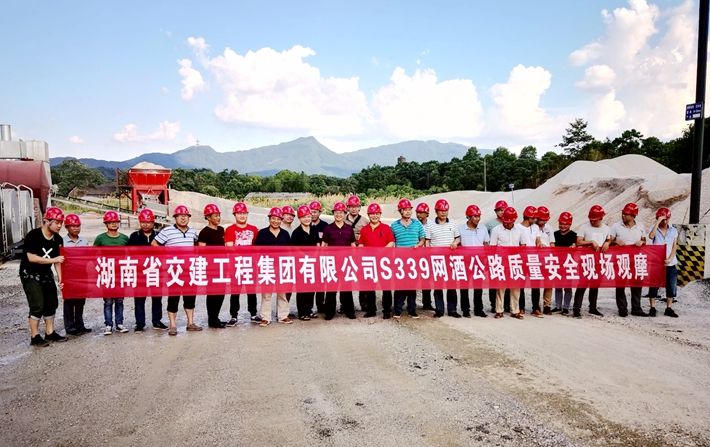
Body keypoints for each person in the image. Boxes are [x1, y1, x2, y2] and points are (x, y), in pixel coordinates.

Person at [20, 206, 68, 347]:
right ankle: (35, 336)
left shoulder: (58, 239)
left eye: (61, 223)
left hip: (46, 273)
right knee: (37, 305)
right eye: (57, 222)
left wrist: (61, 278)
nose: (59, 226)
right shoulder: (33, 235)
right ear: (47, 221)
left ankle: (50, 332)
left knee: (51, 303)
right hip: (30, 273)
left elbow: (58, 261)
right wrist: (53, 260)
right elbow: (31, 257)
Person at [152, 204, 202, 335]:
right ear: (175, 218)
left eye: (185, 216)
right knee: (173, 298)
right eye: (180, 216)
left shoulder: (193, 232)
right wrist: (166, 255)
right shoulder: (167, 231)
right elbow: (154, 244)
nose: (183, 218)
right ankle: (173, 325)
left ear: (189, 218)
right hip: (174, 270)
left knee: (190, 297)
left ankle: (190, 323)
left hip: (189, 270)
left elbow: (197, 245)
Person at [128, 208, 167, 331]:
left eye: (148, 222)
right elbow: (129, 254)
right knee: (139, 299)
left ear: (153, 222)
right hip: (140, 273)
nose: (145, 224)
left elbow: (165, 252)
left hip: (156, 271)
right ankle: (140, 323)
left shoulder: (160, 236)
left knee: (157, 298)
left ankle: (157, 321)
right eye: (143, 222)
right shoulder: (134, 236)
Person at [254, 207, 293, 326]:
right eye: (273, 218)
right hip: (266, 266)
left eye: (278, 219)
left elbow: (290, 252)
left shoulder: (285, 234)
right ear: (269, 219)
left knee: (282, 293)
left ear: (281, 220)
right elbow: (257, 251)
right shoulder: (262, 233)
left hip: (282, 267)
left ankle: (283, 316)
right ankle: (265, 317)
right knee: (266, 294)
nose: (275, 221)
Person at [94, 211, 130, 335]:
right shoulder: (100, 238)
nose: (114, 224)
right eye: (111, 222)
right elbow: (93, 254)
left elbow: (131, 254)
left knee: (119, 300)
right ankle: (108, 324)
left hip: (120, 274)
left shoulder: (124, 238)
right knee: (108, 301)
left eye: (116, 222)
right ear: (106, 224)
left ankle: (119, 324)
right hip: (107, 273)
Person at [224, 202, 260, 324]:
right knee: (235, 291)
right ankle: (234, 315)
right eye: (239, 213)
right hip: (236, 265)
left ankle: (253, 314)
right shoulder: (230, 230)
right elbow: (230, 248)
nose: (242, 215)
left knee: (252, 291)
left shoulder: (254, 229)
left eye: (244, 213)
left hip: (251, 265)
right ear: (234, 215)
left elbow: (257, 247)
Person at [572, 205, 611, 318]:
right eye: (591, 219)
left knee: (595, 285)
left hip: (599, 261)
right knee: (582, 284)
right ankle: (576, 309)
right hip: (586, 260)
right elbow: (578, 242)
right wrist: (590, 242)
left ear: (601, 218)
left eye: (595, 220)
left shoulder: (606, 229)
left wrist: (607, 243)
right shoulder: (584, 227)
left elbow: (609, 239)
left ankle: (593, 307)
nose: (592, 221)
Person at [358, 202, 395, 318]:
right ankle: (371, 310)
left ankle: (387, 310)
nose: (375, 216)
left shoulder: (386, 228)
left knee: (386, 287)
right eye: (372, 214)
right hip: (369, 262)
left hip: (384, 262)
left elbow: (391, 242)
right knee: (370, 287)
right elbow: (360, 244)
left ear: (380, 214)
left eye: (377, 213)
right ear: (368, 215)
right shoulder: (364, 229)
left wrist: (381, 252)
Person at [390, 198, 425, 319]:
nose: (408, 211)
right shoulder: (394, 225)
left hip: (413, 260)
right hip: (400, 260)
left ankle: (412, 310)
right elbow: (392, 242)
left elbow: (422, 239)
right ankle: (397, 310)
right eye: (405, 209)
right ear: (400, 211)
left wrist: (418, 245)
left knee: (412, 286)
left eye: (409, 209)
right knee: (399, 286)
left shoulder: (417, 224)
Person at [611, 202, 648, 317]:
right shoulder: (616, 226)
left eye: (626, 214)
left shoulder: (640, 226)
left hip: (636, 259)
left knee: (637, 284)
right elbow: (609, 241)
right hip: (621, 259)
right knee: (620, 285)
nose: (623, 215)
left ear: (633, 216)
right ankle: (622, 309)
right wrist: (615, 241)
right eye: (623, 213)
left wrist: (642, 242)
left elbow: (645, 240)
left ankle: (636, 308)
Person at [322, 201, 357, 320]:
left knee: (346, 288)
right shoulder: (328, 228)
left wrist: (354, 260)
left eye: (341, 212)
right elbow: (324, 245)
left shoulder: (349, 229)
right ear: (333, 213)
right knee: (331, 289)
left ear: (345, 214)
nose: (339, 215)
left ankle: (349, 311)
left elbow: (353, 245)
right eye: (336, 212)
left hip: (346, 263)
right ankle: (329, 313)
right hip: (332, 263)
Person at [426, 199, 461, 318]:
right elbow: (427, 241)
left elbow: (458, 238)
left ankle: (452, 310)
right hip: (436, 260)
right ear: (436, 211)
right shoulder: (430, 225)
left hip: (450, 259)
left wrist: (455, 243)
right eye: (441, 210)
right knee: (438, 286)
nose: (444, 212)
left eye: (446, 210)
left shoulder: (453, 223)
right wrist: (428, 254)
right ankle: (439, 310)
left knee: (451, 285)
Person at [490, 207, 525, 320]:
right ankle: (499, 310)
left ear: (514, 220)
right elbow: (492, 247)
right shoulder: (496, 230)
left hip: (515, 261)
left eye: (509, 222)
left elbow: (523, 245)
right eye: (505, 222)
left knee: (515, 287)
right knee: (500, 287)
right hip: (501, 261)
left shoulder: (520, 230)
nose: (507, 224)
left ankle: (515, 310)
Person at [198, 203, 227, 329]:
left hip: (222, 266)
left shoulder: (221, 230)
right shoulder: (204, 233)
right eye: (215, 216)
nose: (218, 218)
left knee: (221, 292)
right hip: (211, 267)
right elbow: (201, 251)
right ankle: (212, 319)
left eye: (219, 215)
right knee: (212, 294)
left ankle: (216, 317)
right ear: (208, 217)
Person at [458, 204, 489, 318]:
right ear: (468, 217)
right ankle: (465, 309)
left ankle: (478, 309)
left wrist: (486, 259)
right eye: (475, 216)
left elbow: (486, 244)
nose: (477, 219)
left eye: (479, 216)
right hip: (465, 261)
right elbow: (458, 244)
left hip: (479, 261)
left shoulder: (483, 228)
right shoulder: (461, 229)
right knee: (464, 286)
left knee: (478, 286)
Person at [62, 213, 91, 335]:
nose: (76, 228)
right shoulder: (62, 241)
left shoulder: (84, 241)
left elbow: (89, 257)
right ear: (67, 227)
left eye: (78, 226)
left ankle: (80, 325)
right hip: (68, 275)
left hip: (82, 274)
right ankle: (69, 327)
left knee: (80, 301)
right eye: (73, 226)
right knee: (69, 301)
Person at [291, 205, 321, 320]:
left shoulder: (314, 230)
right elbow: (295, 250)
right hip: (301, 264)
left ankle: (309, 310)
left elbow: (318, 244)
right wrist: (306, 257)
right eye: (304, 217)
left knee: (311, 288)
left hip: (313, 263)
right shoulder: (296, 233)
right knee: (302, 289)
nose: (307, 219)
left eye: (308, 216)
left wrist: (315, 257)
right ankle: (302, 312)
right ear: (299, 218)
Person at [648, 207, 679, 318]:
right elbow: (651, 236)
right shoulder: (654, 228)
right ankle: (652, 307)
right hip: (656, 263)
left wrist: (670, 258)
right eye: (661, 219)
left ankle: (669, 308)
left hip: (670, 262)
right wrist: (657, 222)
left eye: (665, 219)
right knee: (654, 285)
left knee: (671, 285)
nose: (664, 221)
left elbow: (674, 246)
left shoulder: (673, 230)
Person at [345, 195, 369, 313]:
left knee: (363, 279)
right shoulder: (342, 219)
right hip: (346, 255)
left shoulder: (365, 221)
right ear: (348, 208)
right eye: (351, 207)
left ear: (359, 207)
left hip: (361, 254)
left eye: (356, 206)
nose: (354, 209)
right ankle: (345, 305)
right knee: (346, 280)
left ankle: (364, 304)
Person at [486, 200, 510, 313]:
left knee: (507, 281)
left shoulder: (511, 222)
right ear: (496, 211)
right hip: (494, 257)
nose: (502, 212)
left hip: (507, 257)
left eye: (503, 210)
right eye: (499, 210)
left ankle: (506, 304)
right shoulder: (490, 224)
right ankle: (494, 304)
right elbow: (485, 237)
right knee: (494, 282)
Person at [517, 206, 541, 316]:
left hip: (534, 258)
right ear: (528, 218)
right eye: (534, 218)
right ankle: (521, 307)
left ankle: (536, 308)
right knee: (520, 284)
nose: (536, 220)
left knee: (536, 284)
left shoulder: (535, 227)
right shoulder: (517, 228)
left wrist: (539, 244)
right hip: (521, 259)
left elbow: (538, 239)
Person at [553, 212, 576, 315]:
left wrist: (574, 247)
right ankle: (558, 306)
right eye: (561, 223)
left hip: (568, 264)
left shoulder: (574, 235)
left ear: (570, 224)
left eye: (565, 224)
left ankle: (566, 307)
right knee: (558, 286)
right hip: (557, 264)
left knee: (567, 287)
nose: (563, 226)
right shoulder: (555, 234)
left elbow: (578, 246)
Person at [309, 200, 329, 314]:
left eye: (315, 212)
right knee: (310, 284)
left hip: (322, 259)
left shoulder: (325, 226)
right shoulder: (305, 224)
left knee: (321, 285)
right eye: (311, 212)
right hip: (309, 260)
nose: (313, 214)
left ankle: (321, 307)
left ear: (320, 212)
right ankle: (309, 308)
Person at [536, 206, 555, 315]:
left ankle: (547, 305)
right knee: (536, 283)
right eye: (541, 220)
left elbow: (552, 243)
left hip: (548, 258)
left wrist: (552, 255)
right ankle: (536, 305)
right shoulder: (533, 228)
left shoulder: (549, 228)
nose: (543, 222)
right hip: (536, 258)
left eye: (545, 220)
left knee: (548, 282)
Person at [415, 202, 434, 311]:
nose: (419, 214)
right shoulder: (413, 223)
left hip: (427, 256)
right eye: (417, 212)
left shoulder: (432, 225)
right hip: (415, 255)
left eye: (421, 212)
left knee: (426, 280)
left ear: (427, 213)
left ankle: (427, 303)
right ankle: (409, 302)